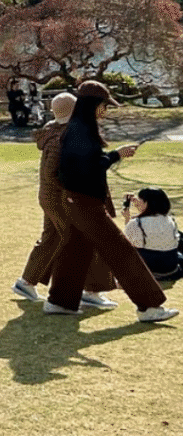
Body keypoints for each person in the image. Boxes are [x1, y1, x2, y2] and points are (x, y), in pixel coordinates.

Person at [45, 80, 177, 322]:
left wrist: (114, 155)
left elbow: (81, 167)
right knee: (122, 252)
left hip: (76, 201)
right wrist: (117, 155)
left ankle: (60, 302)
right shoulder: (81, 131)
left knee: (75, 251)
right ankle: (150, 307)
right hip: (86, 204)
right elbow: (90, 169)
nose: (106, 110)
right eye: (104, 105)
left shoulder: (78, 129)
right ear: (93, 105)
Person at [12, 92, 118, 307]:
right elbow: (55, 172)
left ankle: (26, 282)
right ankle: (91, 291)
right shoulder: (63, 136)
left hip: (52, 197)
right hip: (62, 198)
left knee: (52, 239)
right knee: (87, 240)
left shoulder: (56, 132)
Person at [123, 188, 183, 281]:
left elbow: (129, 243)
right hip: (171, 265)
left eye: (140, 200)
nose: (137, 202)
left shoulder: (137, 223)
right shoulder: (170, 220)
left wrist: (127, 219)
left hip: (151, 266)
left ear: (147, 203)